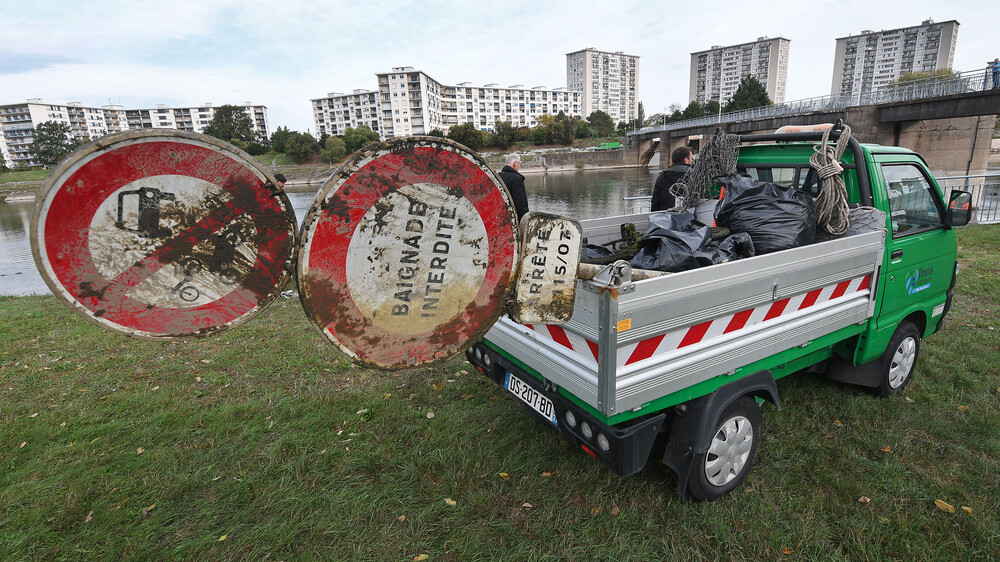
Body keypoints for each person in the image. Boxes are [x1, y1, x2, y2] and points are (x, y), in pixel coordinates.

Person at [650, 146, 693, 212]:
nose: (692, 161)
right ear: (686, 160)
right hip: (689, 218)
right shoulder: (695, 176)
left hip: (666, 218)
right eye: (691, 159)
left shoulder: (662, 177)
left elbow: (655, 203)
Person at [498, 153, 529, 221]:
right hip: (512, 220)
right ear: (515, 163)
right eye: (519, 163)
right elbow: (521, 204)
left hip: (500, 217)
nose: (519, 166)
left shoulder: (498, 176)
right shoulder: (517, 178)